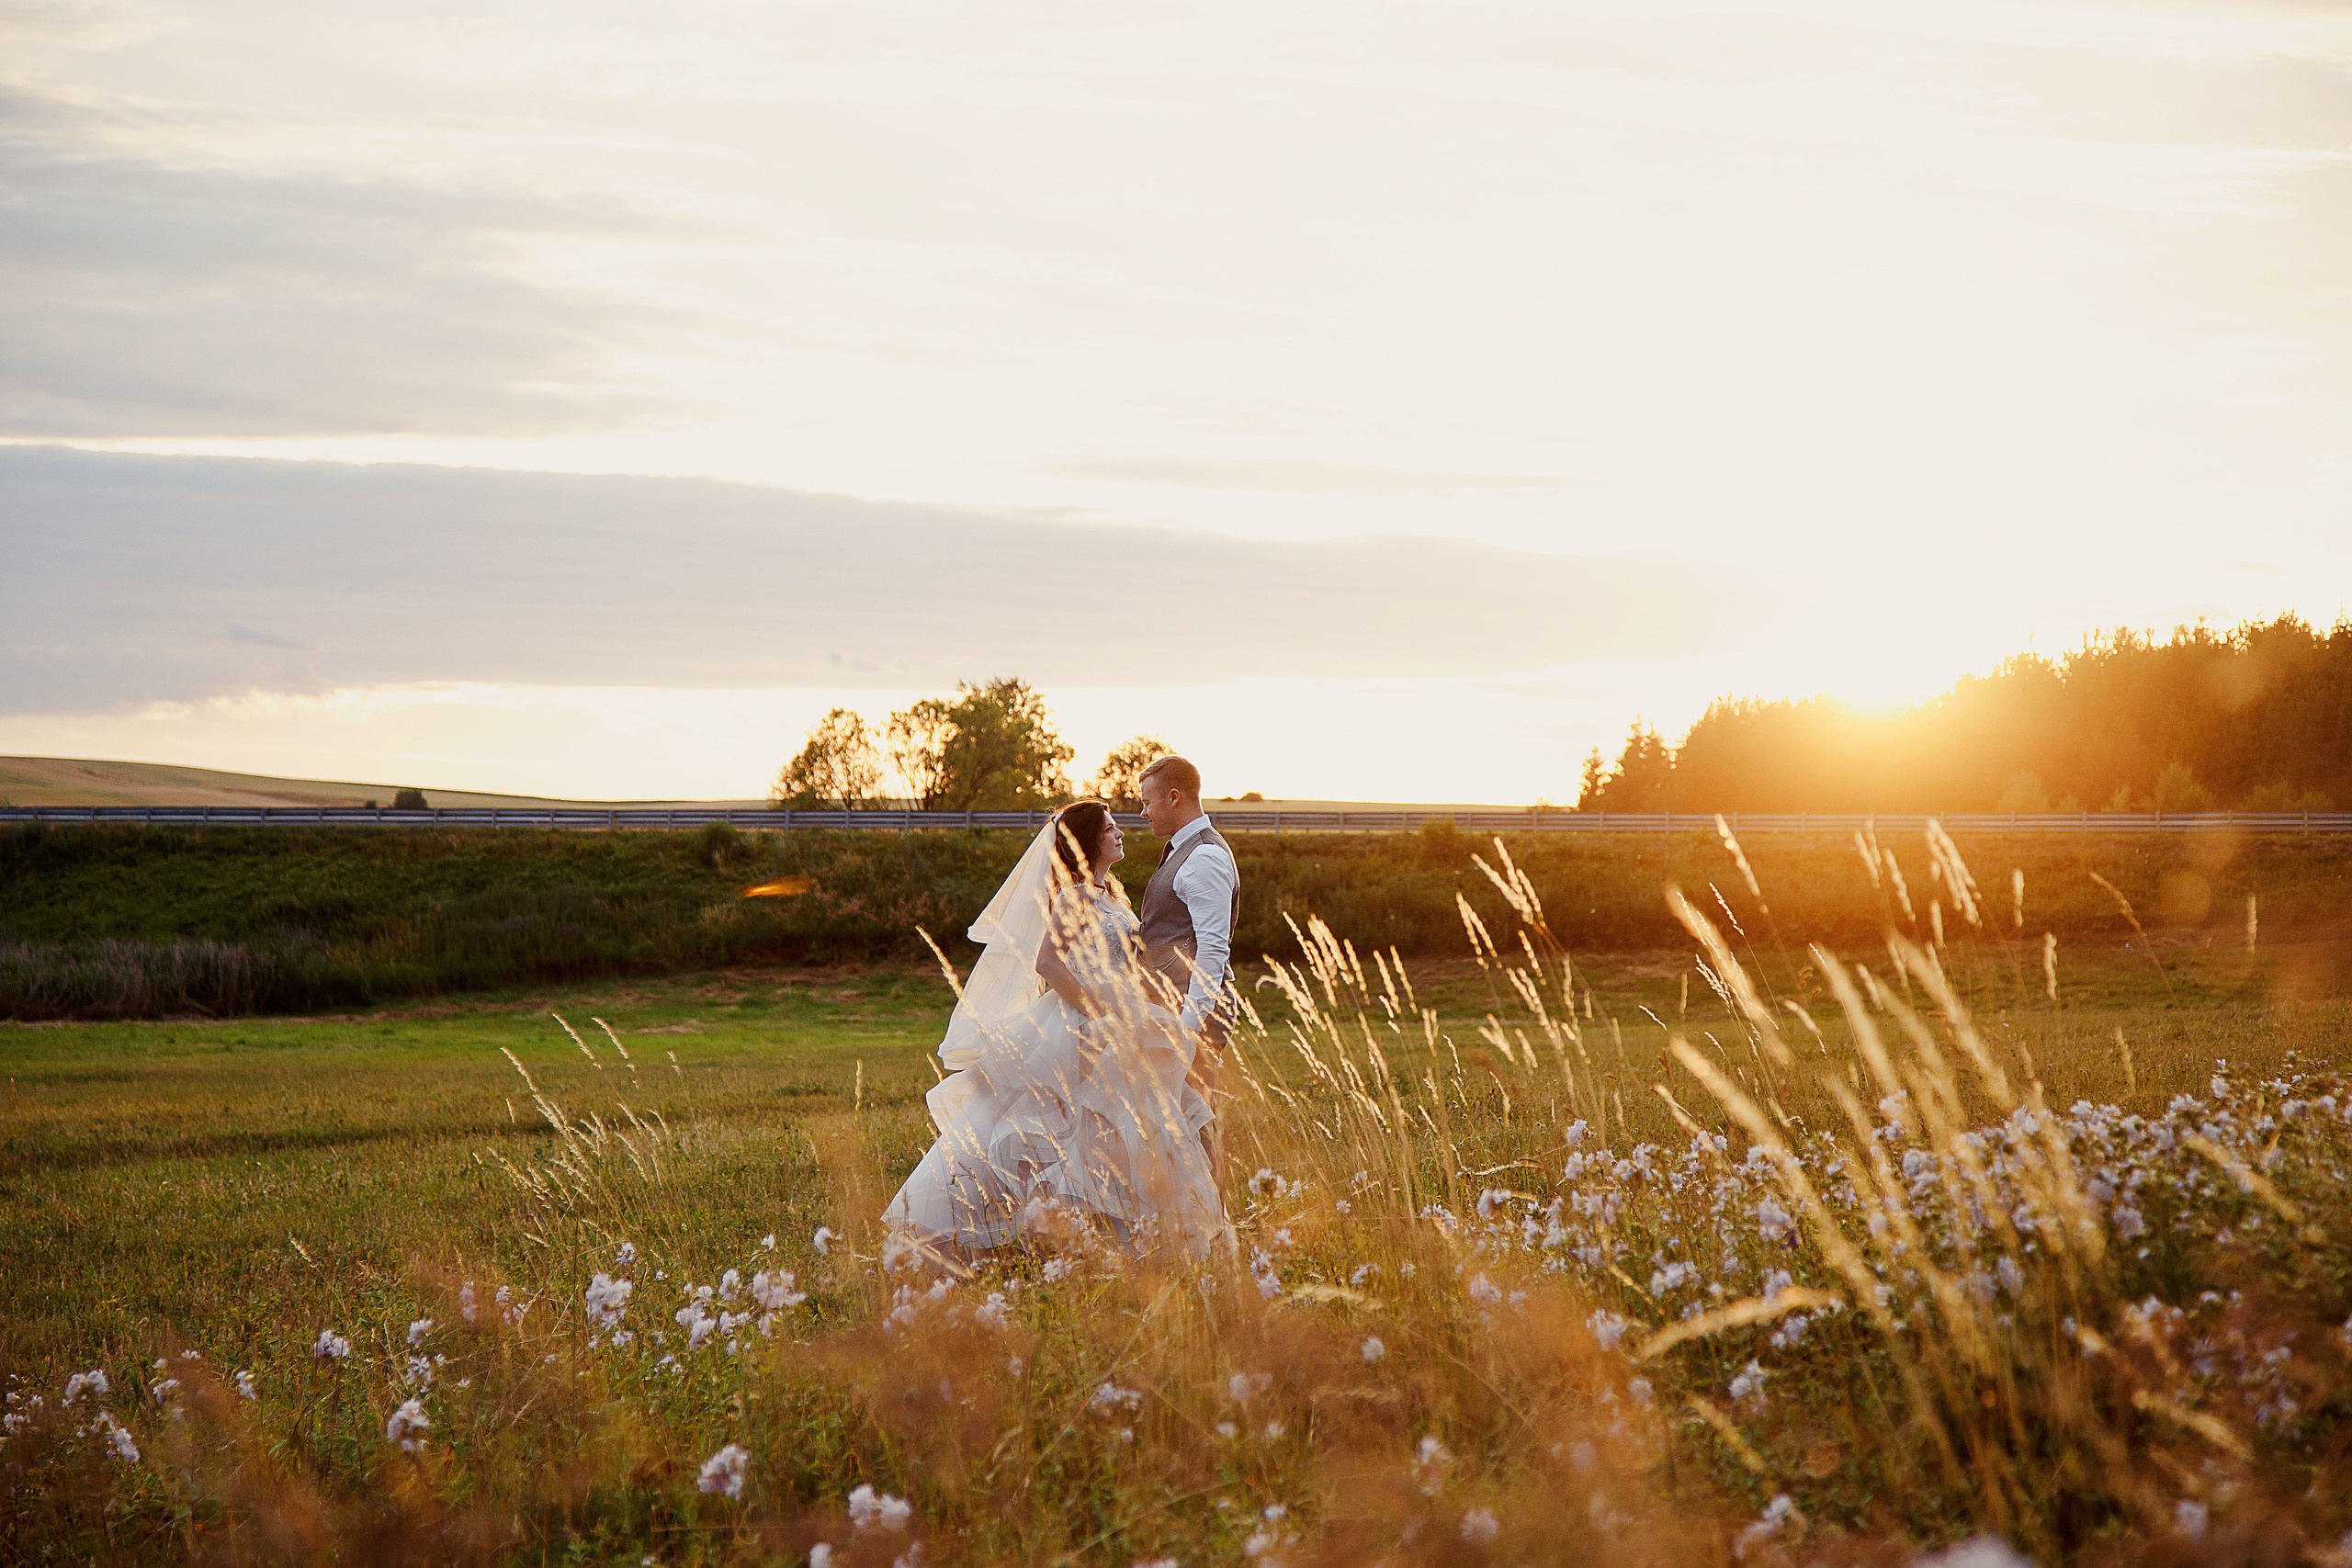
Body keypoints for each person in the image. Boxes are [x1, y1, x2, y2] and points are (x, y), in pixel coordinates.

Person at [882, 800, 1227, 1259]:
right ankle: (1044, 1234)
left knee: (1118, 1126)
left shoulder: (1114, 897)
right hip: (1081, 1023)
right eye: (1109, 829)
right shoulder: (1074, 897)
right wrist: (1095, 1010)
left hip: (1122, 1019)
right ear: (1089, 843)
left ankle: (1116, 1235)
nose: (1120, 833)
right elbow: (1047, 961)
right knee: (1067, 1128)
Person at [1135, 756, 1240, 1178]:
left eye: (1147, 802)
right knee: (1173, 1117)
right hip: (1172, 1008)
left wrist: (1189, 1027)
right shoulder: (1183, 851)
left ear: (1173, 797)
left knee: (1195, 1117)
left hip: (1192, 1013)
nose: (1143, 812)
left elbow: (1213, 949)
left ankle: (1212, 1224)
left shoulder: (1204, 858)